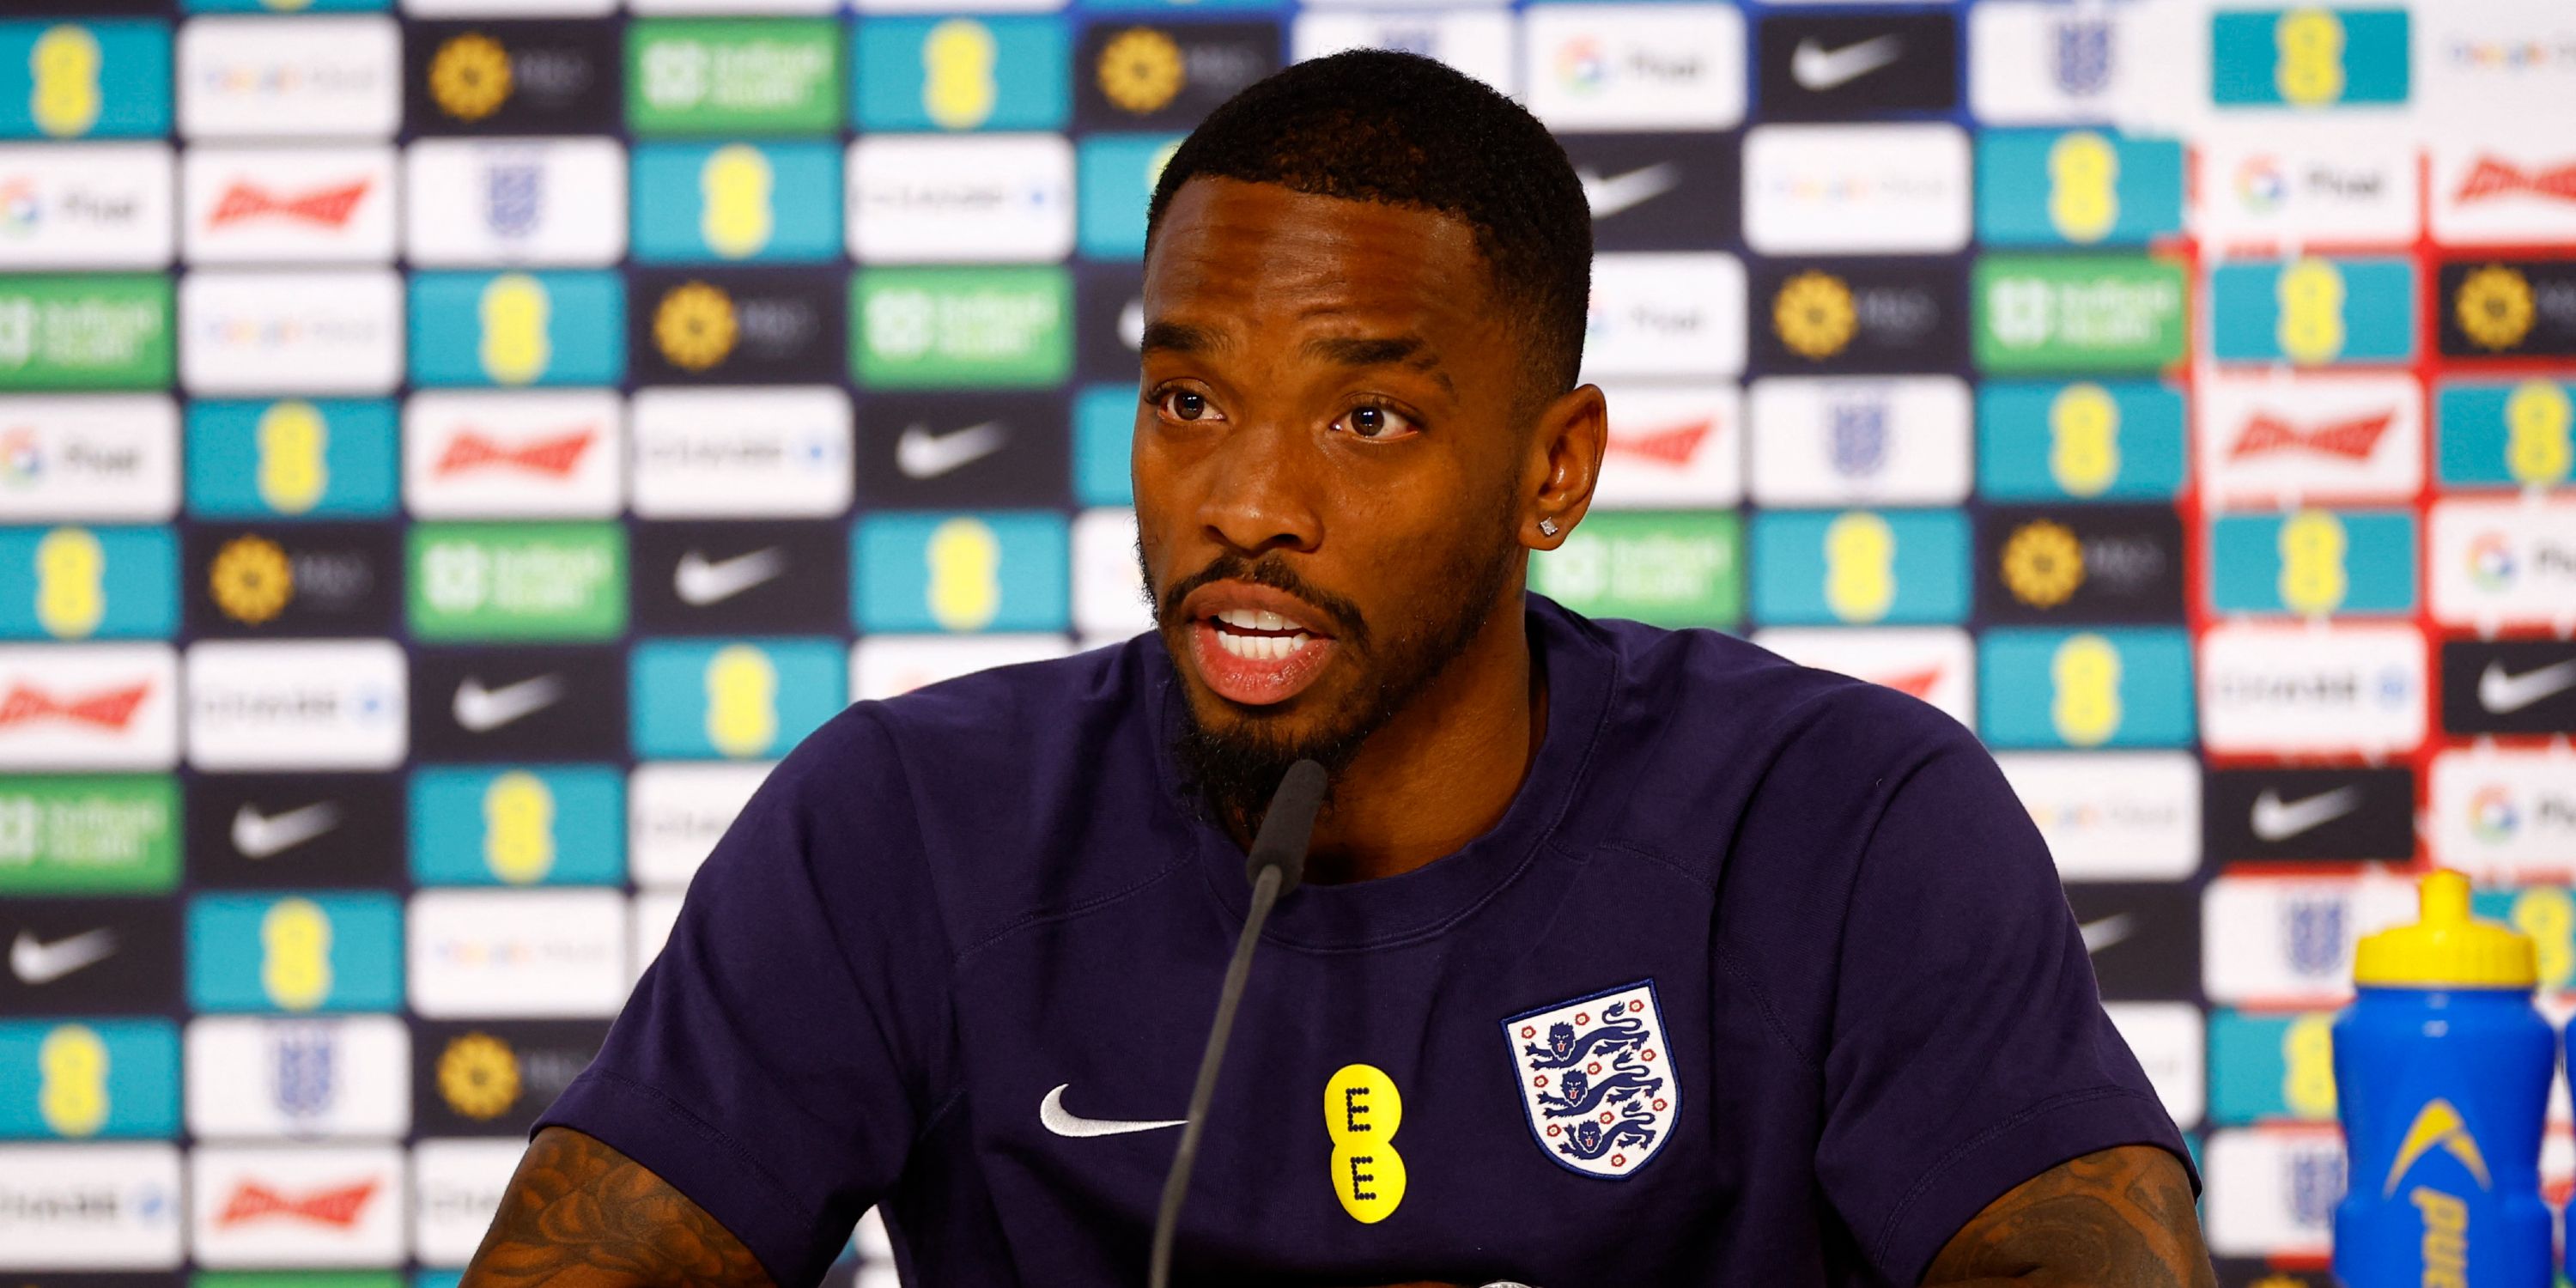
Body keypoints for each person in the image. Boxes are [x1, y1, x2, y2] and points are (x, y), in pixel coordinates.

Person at [461, 50, 2214, 1288]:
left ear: (1556, 471)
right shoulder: (908, 823)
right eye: (1187, 400)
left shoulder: (1838, 815)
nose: (1246, 502)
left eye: (1367, 418)